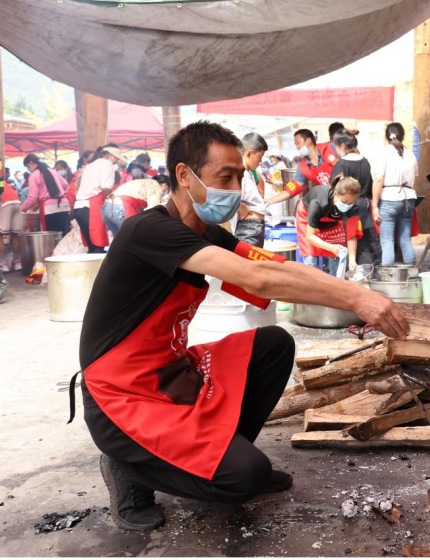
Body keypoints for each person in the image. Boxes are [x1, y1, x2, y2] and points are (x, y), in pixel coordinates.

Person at [73, 121, 407, 532]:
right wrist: (357, 299)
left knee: (273, 344)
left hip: (171, 374)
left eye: (239, 176)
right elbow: (259, 280)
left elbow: (276, 268)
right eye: (224, 177)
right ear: (184, 175)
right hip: (120, 393)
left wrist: (353, 294)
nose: (235, 188)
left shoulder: (208, 233)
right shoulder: (149, 230)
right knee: (244, 477)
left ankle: (225, 451)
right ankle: (128, 467)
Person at [331, 129, 380, 266]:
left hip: (348, 207)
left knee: (348, 240)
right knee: (364, 243)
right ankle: (365, 272)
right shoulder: (365, 162)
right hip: (364, 205)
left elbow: (335, 187)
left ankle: (348, 272)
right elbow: (370, 185)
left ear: (342, 146)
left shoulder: (341, 164)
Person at [295, 175, 361, 277]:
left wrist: (352, 259)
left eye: (351, 203)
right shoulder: (319, 203)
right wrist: (330, 247)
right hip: (307, 215)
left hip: (332, 221)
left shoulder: (353, 207)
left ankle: (334, 285)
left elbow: (352, 234)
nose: (347, 206)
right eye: (344, 202)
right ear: (335, 193)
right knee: (311, 258)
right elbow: (310, 236)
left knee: (338, 257)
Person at [372, 122, 418, 266]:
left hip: (389, 198)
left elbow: (379, 179)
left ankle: (388, 276)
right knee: (405, 239)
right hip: (408, 198)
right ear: (403, 137)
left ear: (387, 137)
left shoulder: (383, 153)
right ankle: (412, 273)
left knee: (387, 240)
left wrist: (374, 205)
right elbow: (415, 177)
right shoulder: (410, 154)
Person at [74, 145, 127, 252]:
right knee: (98, 246)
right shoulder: (107, 164)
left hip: (79, 207)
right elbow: (106, 187)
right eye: (117, 158)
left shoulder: (90, 165)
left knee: (92, 246)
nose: (117, 162)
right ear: (112, 155)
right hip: (91, 206)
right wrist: (113, 197)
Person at [265, 129, 334, 208]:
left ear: (308, 140)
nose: (297, 147)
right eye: (295, 145)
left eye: (298, 143)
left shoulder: (330, 147)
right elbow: (291, 189)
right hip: (332, 201)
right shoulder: (303, 167)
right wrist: (269, 201)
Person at [101, 164, 164, 236]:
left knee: (119, 241)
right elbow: (152, 211)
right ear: (165, 185)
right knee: (134, 236)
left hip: (107, 207)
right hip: (120, 206)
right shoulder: (156, 186)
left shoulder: (144, 183)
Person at [230, 133, 269, 248]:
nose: (260, 161)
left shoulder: (248, 174)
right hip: (248, 230)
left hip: (253, 229)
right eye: (259, 157)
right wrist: (238, 205)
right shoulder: (239, 175)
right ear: (249, 154)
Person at [21, 153, 72, 236]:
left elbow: (32, 197)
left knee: (52, 236)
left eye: (27, 166)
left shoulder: (34, 176)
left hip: (49, 208)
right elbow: (65, 184)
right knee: (64, 235)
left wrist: (22, 208)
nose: (28, 169)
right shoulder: (52, 171)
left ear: (30, 163)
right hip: (63, 205)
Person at [1, 172, 23, 272]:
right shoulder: (2, 182)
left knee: (0, 234)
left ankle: (2, 263)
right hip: (17, 202)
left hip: (5, 203)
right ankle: (17, 262)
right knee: (15, 234)